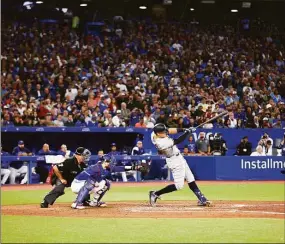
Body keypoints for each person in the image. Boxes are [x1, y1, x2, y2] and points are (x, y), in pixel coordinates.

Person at [149, 123, 212, 207]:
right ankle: (155, 193)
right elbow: (178, 141)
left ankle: (202, 199)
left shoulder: (154, 133)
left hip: (179, 157)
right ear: (158, 134)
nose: (166, 132)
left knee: (190, 178)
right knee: (179, 185)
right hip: (174, 160)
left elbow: (170, 130)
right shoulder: (161, 142)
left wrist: (185, 129)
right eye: (163, 132)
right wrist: (187, 133)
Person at [70, 155, 141, 209]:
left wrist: (134, 168)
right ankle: (77, 203)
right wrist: (97, 183)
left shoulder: (105, 167)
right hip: (77, 185)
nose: (111, 164)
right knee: (91, 181)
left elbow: (119, 168)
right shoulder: (96, 168)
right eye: (110, 162)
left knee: (106, 183)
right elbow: (86, 178)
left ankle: (94, 202)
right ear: (105, 162)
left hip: (85, 184)